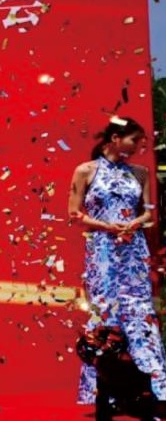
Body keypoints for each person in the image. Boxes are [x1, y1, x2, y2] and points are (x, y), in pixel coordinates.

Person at [68, 117, 166, 405]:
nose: (138, 146)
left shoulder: (140, 173)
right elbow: (74, 213)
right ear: (115, 138)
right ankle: (104, 390)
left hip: (133, 248)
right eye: (134, 140)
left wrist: (133, 223)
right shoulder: (85, 170)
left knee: (139, 309)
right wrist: (108, 227)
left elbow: (148, 213)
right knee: (105, 308)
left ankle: (155, 386)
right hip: (102, 249)